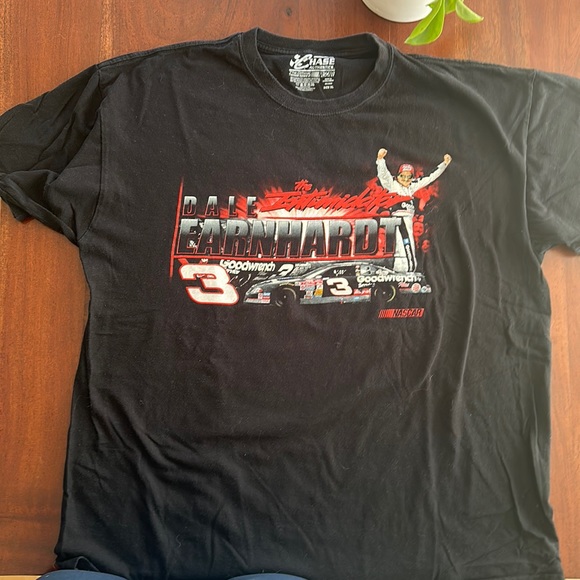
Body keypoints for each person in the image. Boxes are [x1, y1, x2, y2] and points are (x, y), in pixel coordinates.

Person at [376, 148, 451, 272]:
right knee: (404, 244)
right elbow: (383, 175)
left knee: (406, 243)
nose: (405, 180)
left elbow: (430, 177)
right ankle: (406, 268)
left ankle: (403, 269)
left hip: (408, 221)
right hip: (399, 219)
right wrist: (380, 160)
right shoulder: (392, 185)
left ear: (412, 177)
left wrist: (444, 164)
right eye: (402, 176)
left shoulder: (412, 186)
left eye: (408, 177)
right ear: (397, 176)